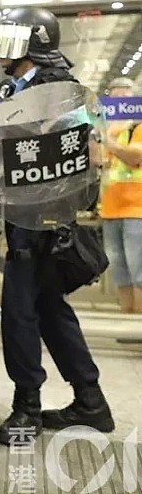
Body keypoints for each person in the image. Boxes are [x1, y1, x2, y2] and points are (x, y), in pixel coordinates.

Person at [0, 6, 114, 445]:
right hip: (23, 216)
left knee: (19, 313)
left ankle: (27, 406)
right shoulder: (18, 87)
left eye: (12, 35)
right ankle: (90, 400)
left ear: (34, 41)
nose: (1, 44)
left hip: (42, 221)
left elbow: (85, 154)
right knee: (48, 310)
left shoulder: (58, 91)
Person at [100, 76, 142, 316]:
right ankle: (128, 315)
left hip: (137, 208)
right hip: (111, 208)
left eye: (124, 98)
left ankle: (139, 322)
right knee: (119, 269)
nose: (119, 103)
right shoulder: (110, 131)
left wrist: (109, 141)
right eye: (115, 98)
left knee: (139, 269)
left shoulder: (138, 127)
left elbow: (134, 157)